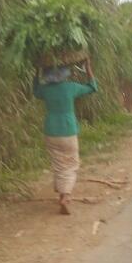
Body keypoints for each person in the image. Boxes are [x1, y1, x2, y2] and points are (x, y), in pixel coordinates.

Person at [33, 57, 98, 215]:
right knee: (70, 163)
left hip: (51, 130)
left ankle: (62, 194)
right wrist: (88, 67)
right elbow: (92, 87)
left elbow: (35, 89)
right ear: (63, 74)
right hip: (68, 130)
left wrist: (37, 70)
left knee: (58, 163)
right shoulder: (71, 87)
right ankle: (65, 196)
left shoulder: (45, 90)